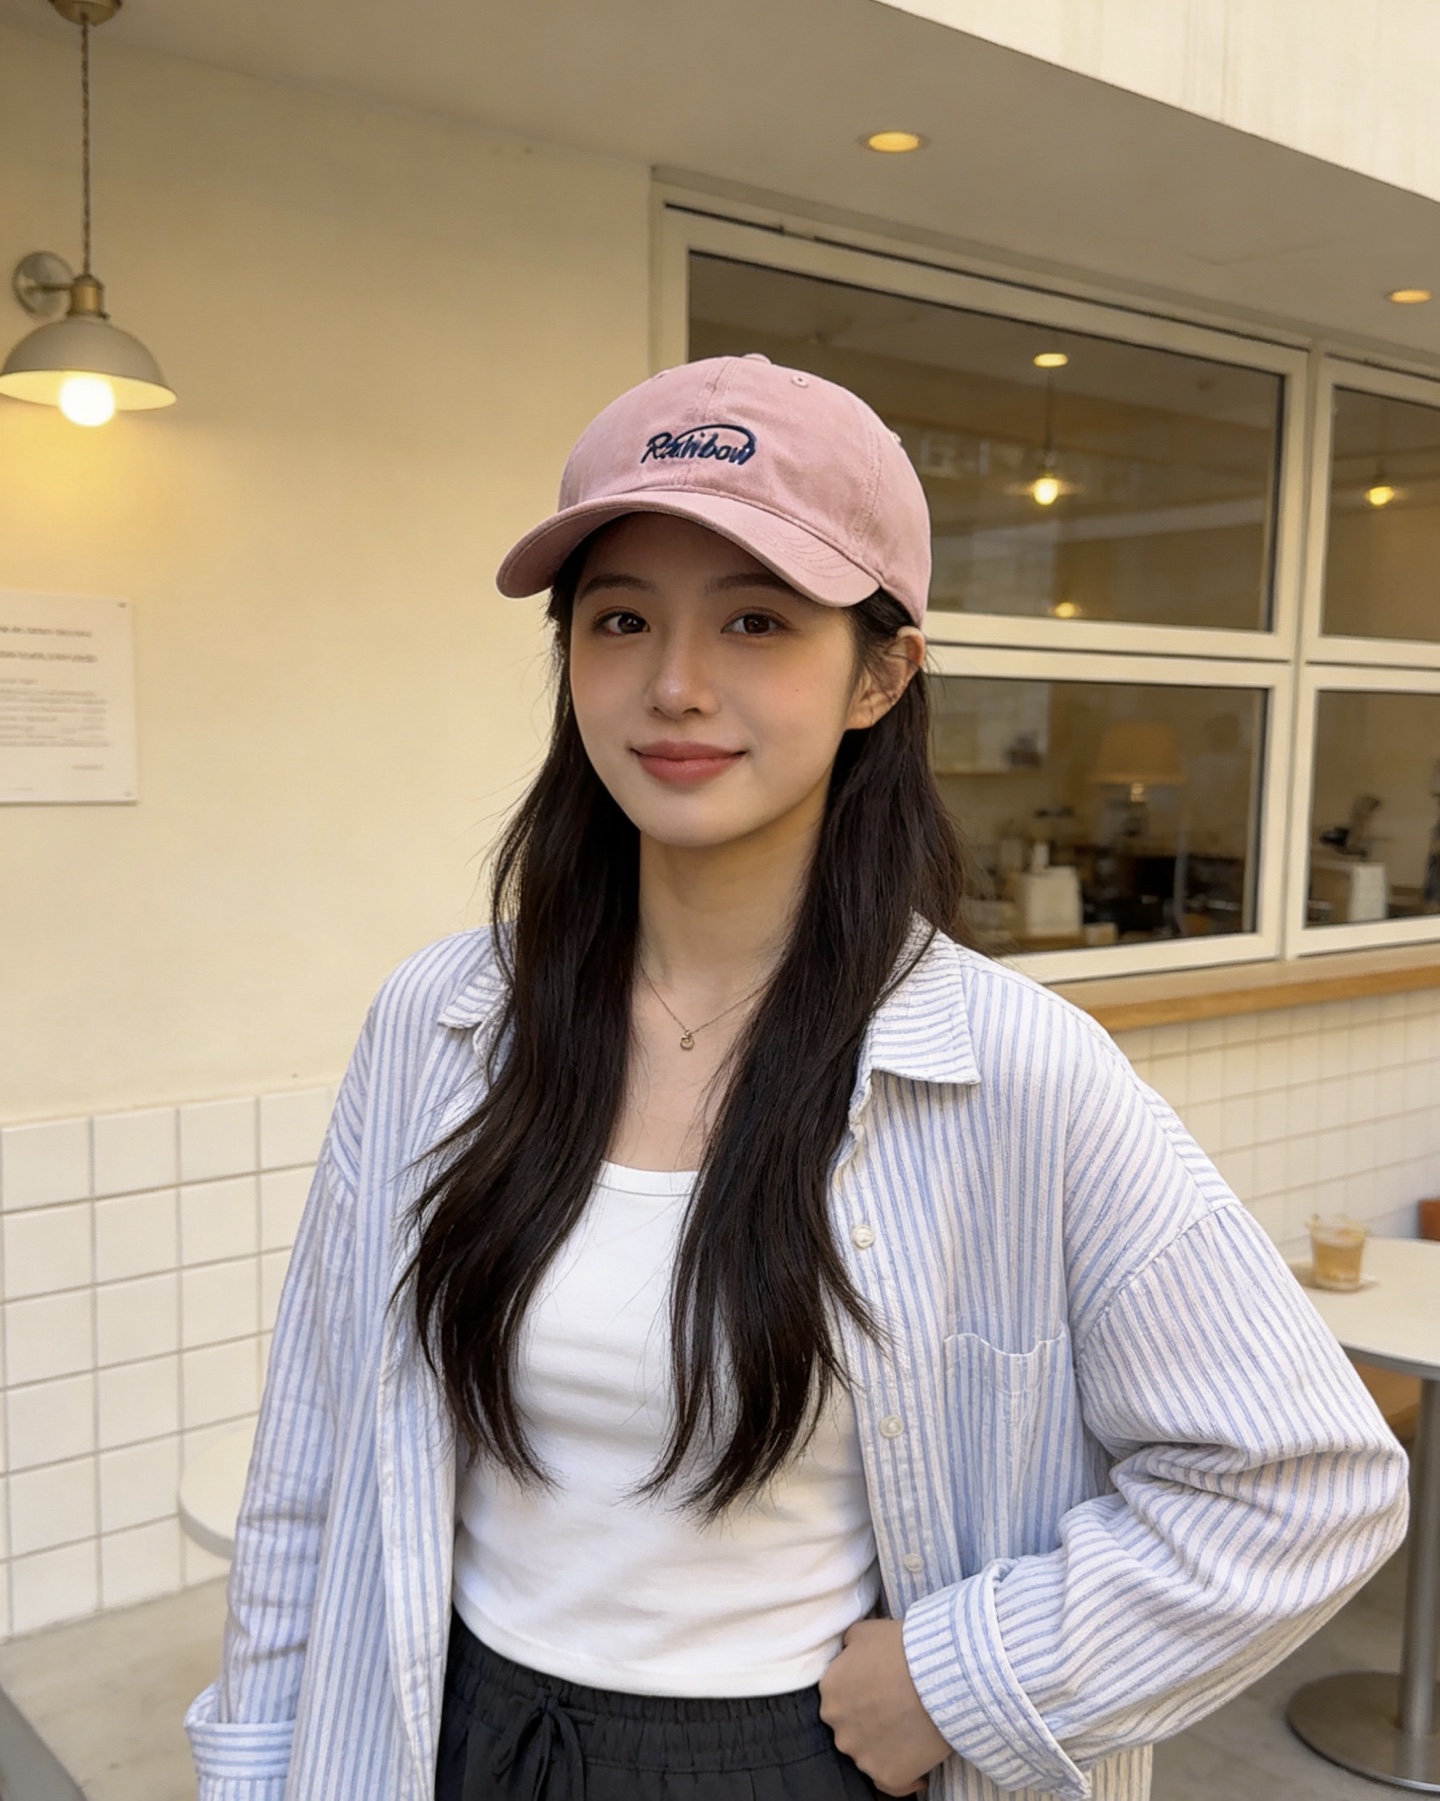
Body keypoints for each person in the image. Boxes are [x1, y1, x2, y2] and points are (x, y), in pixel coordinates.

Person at [186, 354, 1409, 1801]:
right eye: (620, 619)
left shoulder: (1017, 1069)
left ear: (881, 674)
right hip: (451, 1731)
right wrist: (254, 1765)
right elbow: (314, 1456)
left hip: (788, 1755)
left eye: (756, 619)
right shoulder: (441, 1022)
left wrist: (962, 1677)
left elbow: (1302, 1475)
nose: (675, 685)